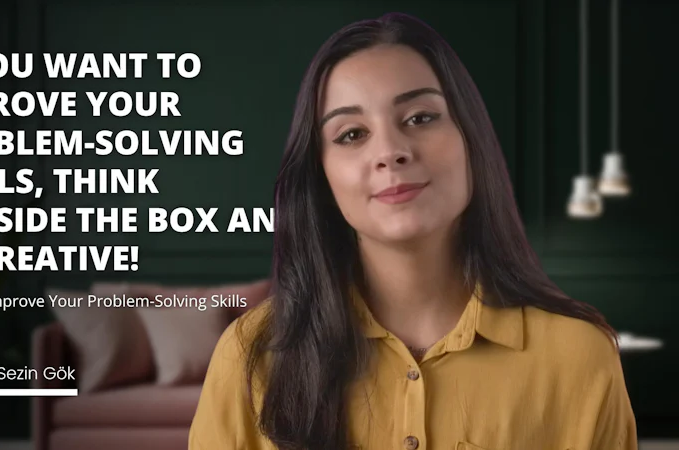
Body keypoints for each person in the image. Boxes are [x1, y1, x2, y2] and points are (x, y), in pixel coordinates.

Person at [189, 12, 637, 450]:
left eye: (420, 117)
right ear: (322, 177)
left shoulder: (580, 356)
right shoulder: (251, 356)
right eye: (351, 134)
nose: (390, 151)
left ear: (471, 140)